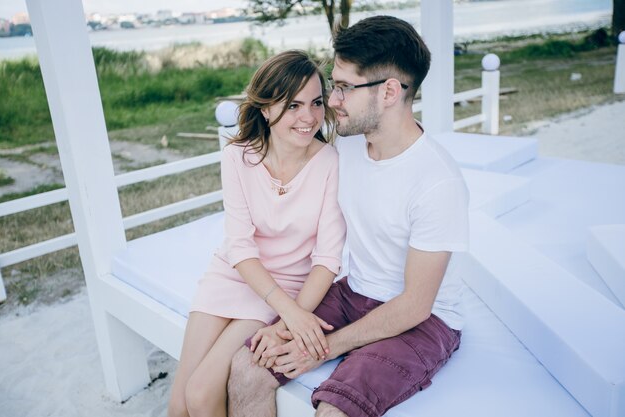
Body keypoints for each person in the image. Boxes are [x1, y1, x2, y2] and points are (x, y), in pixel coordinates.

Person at [227, 15, 469, 417]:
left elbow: (415, 305)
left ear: (390, 91)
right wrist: (290, 321)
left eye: (342, 87)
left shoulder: (437, 183)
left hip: (426, 322)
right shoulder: (349, 143)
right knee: (247, 367)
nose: (331, 101)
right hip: (353, 293)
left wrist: (322, 346)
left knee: (333, 412)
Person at [167, 50, 346, 417]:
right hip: (231, 275)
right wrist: (291, 316)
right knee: (178, 404)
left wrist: (292, 314)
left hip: (280, 287)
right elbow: (240, 247)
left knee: (200, 394)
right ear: (266, 108)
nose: (309, 117)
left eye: (315, 103)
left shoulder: (330, 163)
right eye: (293, 105)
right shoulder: (237, 157)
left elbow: (327, 259)